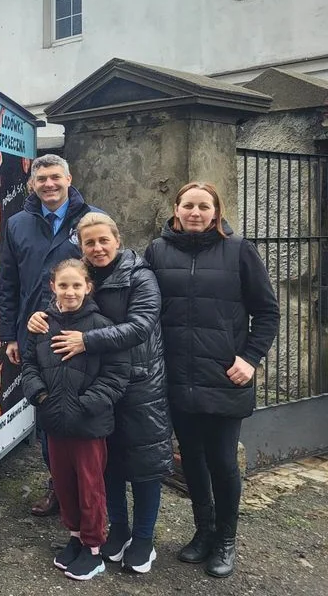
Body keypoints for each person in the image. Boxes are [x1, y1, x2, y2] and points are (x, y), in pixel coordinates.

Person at [145, 182, 278, 578]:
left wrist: (250, 359)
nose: (196, 213)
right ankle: (202, 532)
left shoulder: (239, 250)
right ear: (176, 208)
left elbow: (267, 312)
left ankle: (225, 540)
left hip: (223, 374)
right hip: (176, 374)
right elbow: (140, 302)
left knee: (222, 461)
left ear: (216, 212)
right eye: (189, 205)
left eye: (204, 206)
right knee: (193, 460)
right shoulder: (157, 250)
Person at [28, 213, 173, 574]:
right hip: (94, 390)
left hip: (139, 382)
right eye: (89, 242)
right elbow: (67, 308)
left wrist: (86, 341)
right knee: (108, 466)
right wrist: (41, 318)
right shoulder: (87, 275)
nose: (97, 248)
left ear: (117, 240)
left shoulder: (140, 276)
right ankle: (116, 530)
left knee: (144, 464)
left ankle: (142, 539)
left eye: (103, 241)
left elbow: (140, 326)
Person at [0, 154, 101, 515]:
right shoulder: (17, 225)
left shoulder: (92, 220)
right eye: (41, 179)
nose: (49, 185)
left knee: (83, 414)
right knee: (44, 414)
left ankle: (88, 493)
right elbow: (7, 283)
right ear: (32, 184)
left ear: (69, 178)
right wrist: (10, 335)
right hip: (34, 332)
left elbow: (106, 275)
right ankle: (57, 486)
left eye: (56, 177)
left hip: (81, 335)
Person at [21, 259, 130, 581]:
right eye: (64, 285)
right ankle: (75, 536)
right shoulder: (41, 325)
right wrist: (40, 397)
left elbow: (116, 375)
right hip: (54, 421)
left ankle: (94, 549)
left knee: (90, 488)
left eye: (77, 285)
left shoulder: (102, 326)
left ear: (88, 287)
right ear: (53, 287)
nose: (70, 292)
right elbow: (29, 366)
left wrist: (85, 405)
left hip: (88, 425)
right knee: (64, 484)